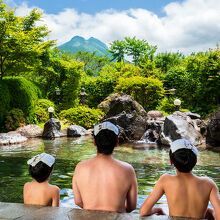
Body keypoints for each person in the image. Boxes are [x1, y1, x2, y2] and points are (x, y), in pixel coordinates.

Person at [140, 139, 220, 219]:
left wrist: (158, 209)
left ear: (171, 162)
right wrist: (212, 212)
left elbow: (144, 211)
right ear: (195, 161)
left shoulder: (165, 180)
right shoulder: (209, 184)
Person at [72, 121, 138, 212]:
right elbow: (132, 206)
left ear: (94, 142)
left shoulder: (80, 167)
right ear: (116, 143)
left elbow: (78, 201)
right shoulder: (128, 169)